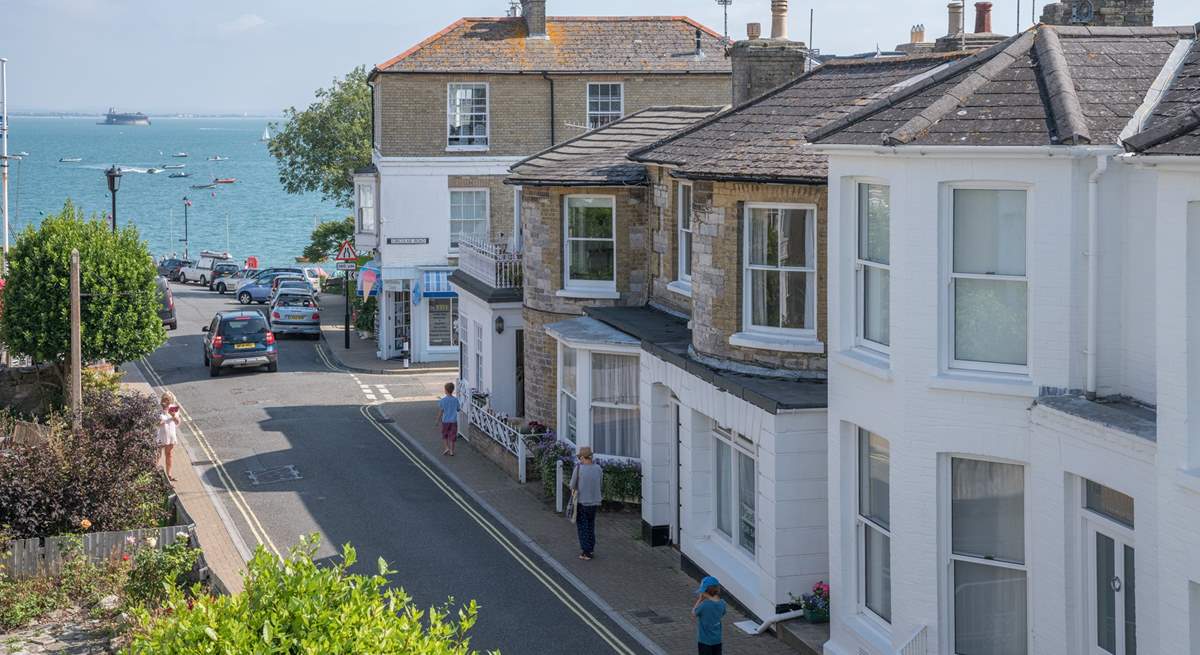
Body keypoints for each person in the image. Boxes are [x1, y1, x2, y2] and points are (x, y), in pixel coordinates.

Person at [569, 447, 603, 560]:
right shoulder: (598, 468)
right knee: (591, 525)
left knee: (582, 527)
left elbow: (572, 485)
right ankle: (591, 549)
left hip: (582, 502)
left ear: (583, 457)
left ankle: (586, 552)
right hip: (594, 503)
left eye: (580, 458)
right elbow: (600, 483)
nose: (580, 460)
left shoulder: (579, 469)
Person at [693, 576, 726, 654]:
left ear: (705, 591)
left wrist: (700, 599)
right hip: (717, 640)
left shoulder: (704, 605)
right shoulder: (722, 603)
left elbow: (694, 613)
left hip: (705, 641)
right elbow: (723, 613)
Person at [156, 391, 182, 481]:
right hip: (160, 435)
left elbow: (178, 422)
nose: (166, 401)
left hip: (170, 435)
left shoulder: (174, 409)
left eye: (168, 399)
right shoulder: (158, 409)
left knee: (169, 455)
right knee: (157, 455)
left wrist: (173, 416)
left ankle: (169, 474)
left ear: (171, 400)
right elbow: (156, 423)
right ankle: (153, 473)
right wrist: (161, 422)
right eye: (164, 399)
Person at [436, 382, 460, 456]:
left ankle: (446, 447)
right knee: (453, 436)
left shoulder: (442, 400)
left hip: (445, 421)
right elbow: (458, 409)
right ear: (452, 390)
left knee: (445, 435)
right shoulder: (455, 400)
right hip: (453, 421)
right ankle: (452, 451)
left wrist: (437, 420)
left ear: (446, 390)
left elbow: (441, 411)